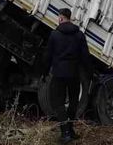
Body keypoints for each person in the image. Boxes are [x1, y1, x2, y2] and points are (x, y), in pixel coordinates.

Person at [43, 8, 92, 143]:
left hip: (59, 74)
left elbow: (48, 56)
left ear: (60, 18)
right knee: (73, 102)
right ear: (70, 17)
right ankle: (70, 130)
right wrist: (90, 73)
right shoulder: (79, 35)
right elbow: (85, 57)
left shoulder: (54, 35)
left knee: (58, 102)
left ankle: (65, 133)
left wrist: (44, 72)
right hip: (74, 74)